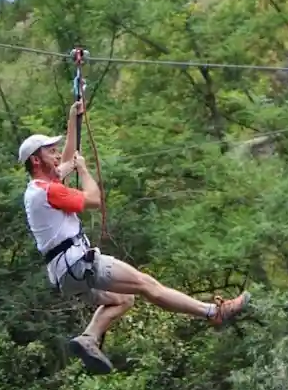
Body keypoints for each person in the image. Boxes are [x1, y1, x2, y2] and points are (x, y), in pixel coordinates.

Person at [20, 102, 251, 375]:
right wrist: (82, 170)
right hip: (78, 263)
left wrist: (73, 117)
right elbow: (94, 199)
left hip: (65, 274)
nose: (58, 155)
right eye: (51, 151)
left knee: (123, 298)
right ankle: (213, 312)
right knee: (145, 284)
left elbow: (69, 154)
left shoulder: (39, 189)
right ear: (36, 160)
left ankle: (89, 338)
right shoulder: (49, 192)